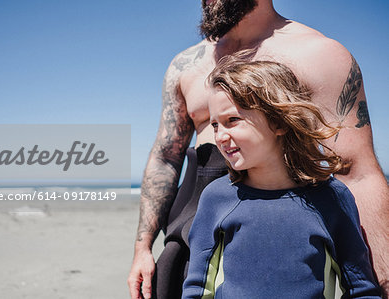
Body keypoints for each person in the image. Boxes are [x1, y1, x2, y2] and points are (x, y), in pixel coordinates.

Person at [128, 1, 389, 298]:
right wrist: (143, 248)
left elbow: (357, 172)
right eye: (215, 124)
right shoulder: (185, 65)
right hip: (192, 227)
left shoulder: (319, 55)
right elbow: (166, 156)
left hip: (291, 212)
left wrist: (385, 277)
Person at [182, 57, 381, 298]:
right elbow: (196, 289)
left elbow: (362, 289)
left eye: (232, 120)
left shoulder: (332, 198)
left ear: (278, 122)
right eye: (215, 125)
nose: (220, 137)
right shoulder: (216, 198)